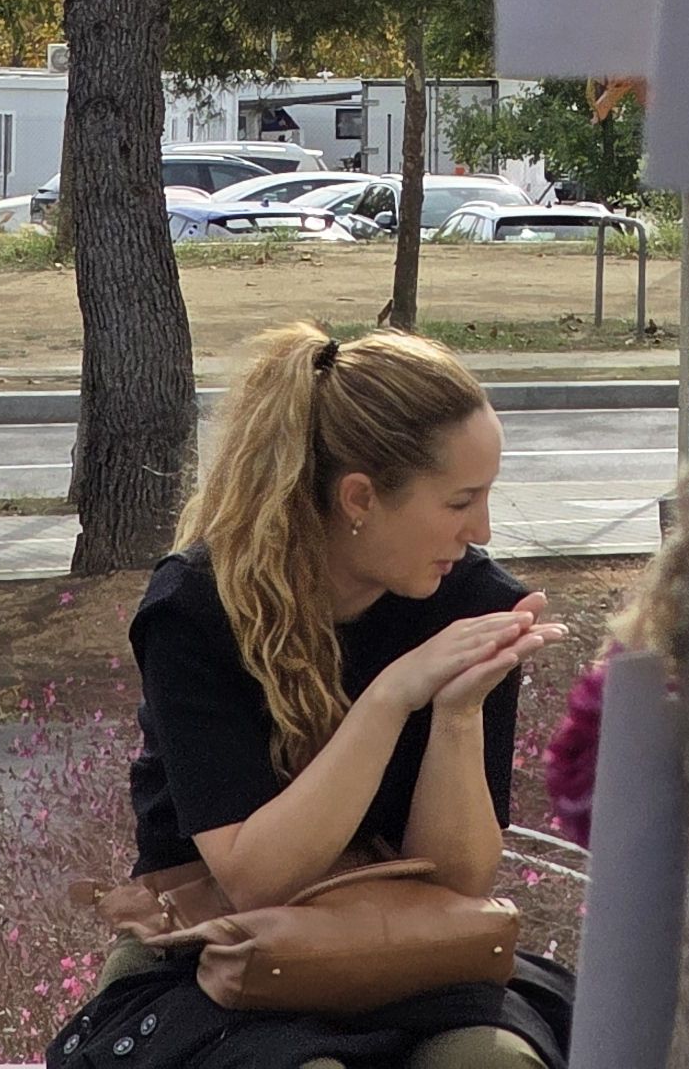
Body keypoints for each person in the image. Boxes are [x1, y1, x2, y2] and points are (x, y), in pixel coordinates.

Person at [118, 323, 561, 1069]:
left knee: (491, 1064)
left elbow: (459, 881)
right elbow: (256, 875)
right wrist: (389, 699)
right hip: (214, 958)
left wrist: (455, 713)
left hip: (411, 952)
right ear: (359, 497)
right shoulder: (197, 610)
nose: (481, 530)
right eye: (460, 501)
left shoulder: (472, 602)